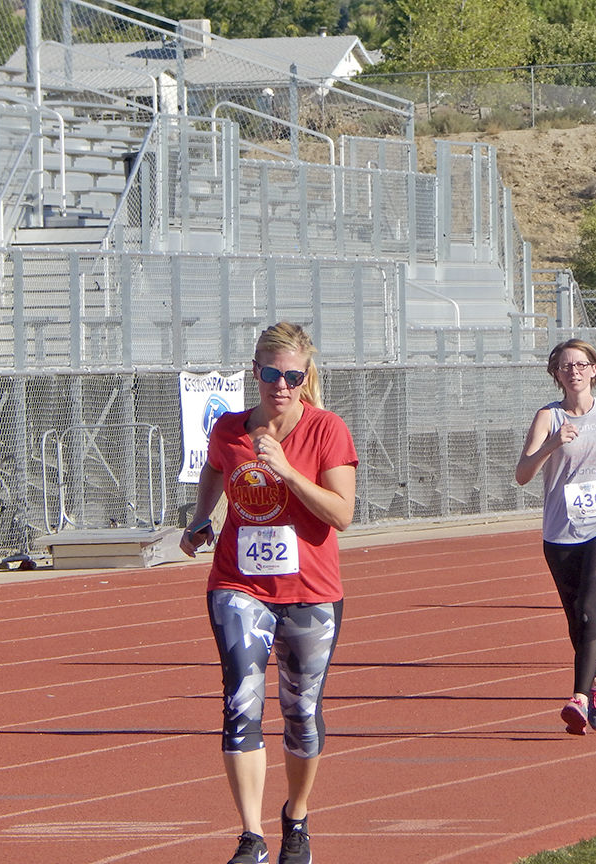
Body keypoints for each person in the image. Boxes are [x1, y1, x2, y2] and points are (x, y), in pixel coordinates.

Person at [180, 322, 359, 864]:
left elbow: (342, 515)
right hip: (238, 583)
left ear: (306, 377)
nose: (281, 385)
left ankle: (297, 817)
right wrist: (199, 519)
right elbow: (215, 470)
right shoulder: (230, 430)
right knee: (241, 701)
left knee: (301, 711)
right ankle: (250, 836)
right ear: (254, 372)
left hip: (310, 588)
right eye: (271, 374)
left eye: (292, 376)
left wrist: (285, 471)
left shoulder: (327, 430)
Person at [516, 339, 596, 735]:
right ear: (556, 374)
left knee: (591, 610)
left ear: (594, 370)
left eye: (581, 364)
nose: (574, 370)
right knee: (577, 620)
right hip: (560, 531)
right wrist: (552, 445)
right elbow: (522, 475)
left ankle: (579, 698)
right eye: (565, 365)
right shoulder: (547, 418)